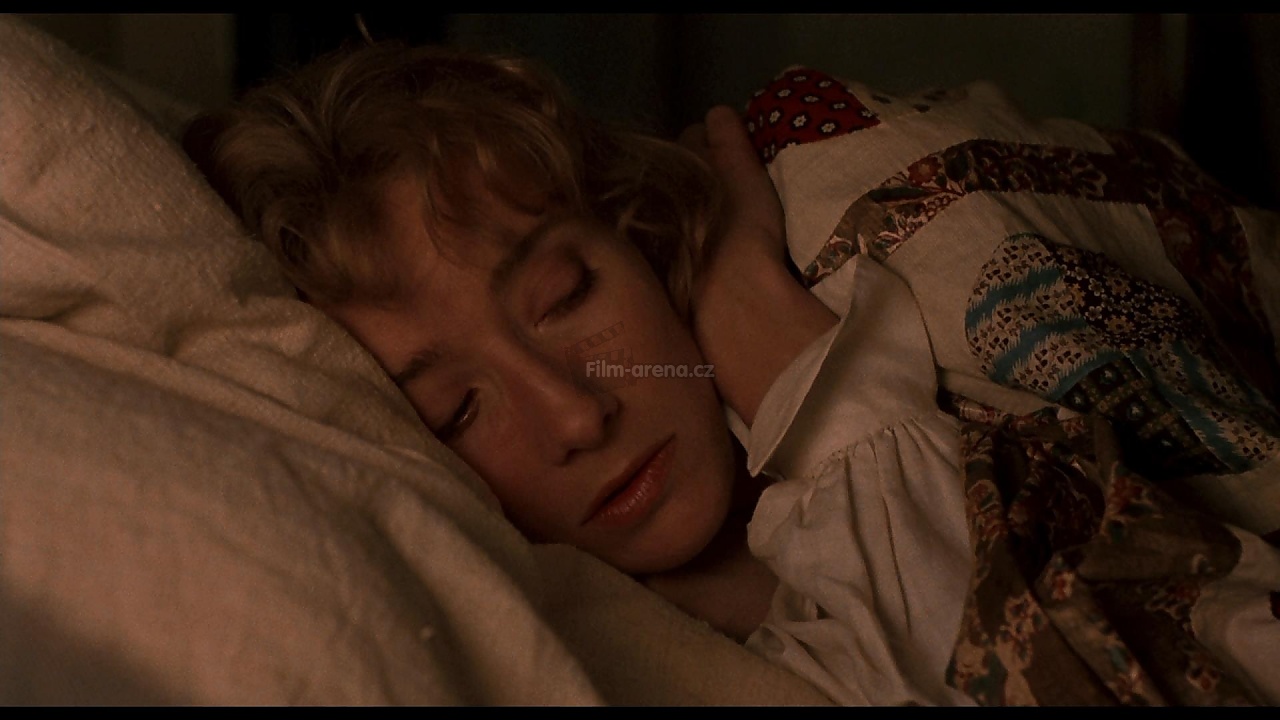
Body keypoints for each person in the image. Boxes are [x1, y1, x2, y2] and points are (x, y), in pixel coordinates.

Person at [185, 40, 1280, 706]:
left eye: (566, 294)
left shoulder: (853, 291)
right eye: (457, 409)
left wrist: (758, 314)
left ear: (639, 239)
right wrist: (811, 377)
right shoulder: (589, 656)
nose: (574, 413)